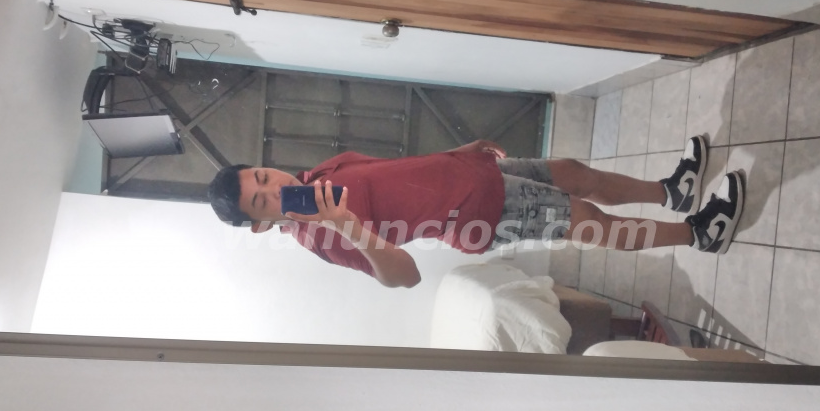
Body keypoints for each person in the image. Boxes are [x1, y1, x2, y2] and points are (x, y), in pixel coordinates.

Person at [207, 137, 745, 288]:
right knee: (590, 221)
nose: (274, 187)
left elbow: (397, 171)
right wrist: (347, 226)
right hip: (480, 214)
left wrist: (456, 153)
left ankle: (671, 191)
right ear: (260, 225)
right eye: (261, 200)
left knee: (574, 172)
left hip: (473, 173)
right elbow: (405, 277)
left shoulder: (317, 175)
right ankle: (700, 233)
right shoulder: (323, 240)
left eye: (263, 176)